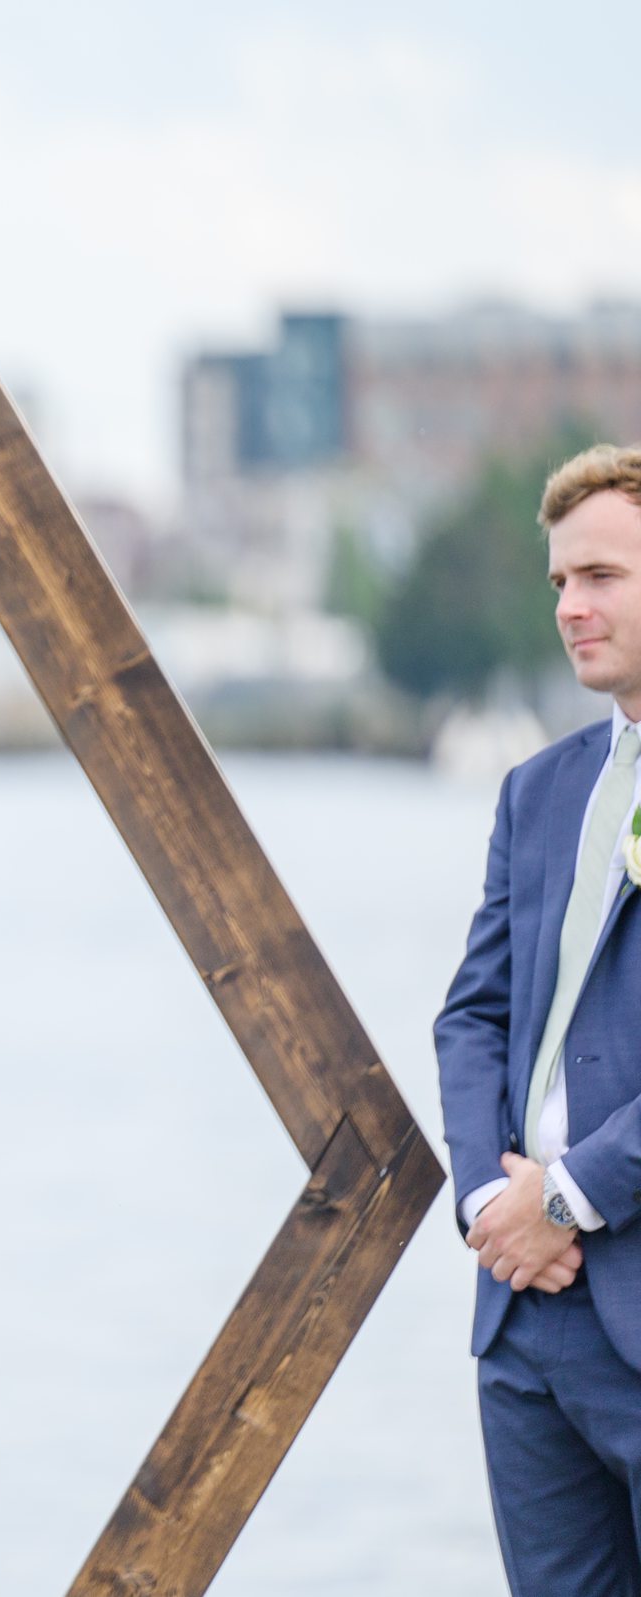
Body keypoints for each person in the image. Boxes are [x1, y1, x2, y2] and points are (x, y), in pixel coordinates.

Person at [439, 443, 641, 1595]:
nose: (571, 607)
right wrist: (488, 1200)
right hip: (524, 1316)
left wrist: (564, 1195)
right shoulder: (539, 787)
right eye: (560, 580)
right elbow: (471, 1014)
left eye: (602, 576)